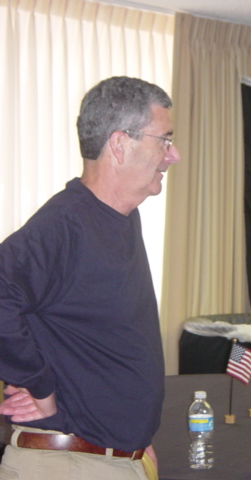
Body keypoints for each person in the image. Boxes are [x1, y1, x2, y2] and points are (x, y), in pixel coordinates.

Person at [0, 76, 180, 479]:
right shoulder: (66, 224)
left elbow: (101, 340)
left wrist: (133, 436)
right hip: (67, 464)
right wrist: (40, 387)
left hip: (107, 457)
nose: (174, 155)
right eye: (165, 141)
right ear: (120, 144)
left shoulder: (121, 219)